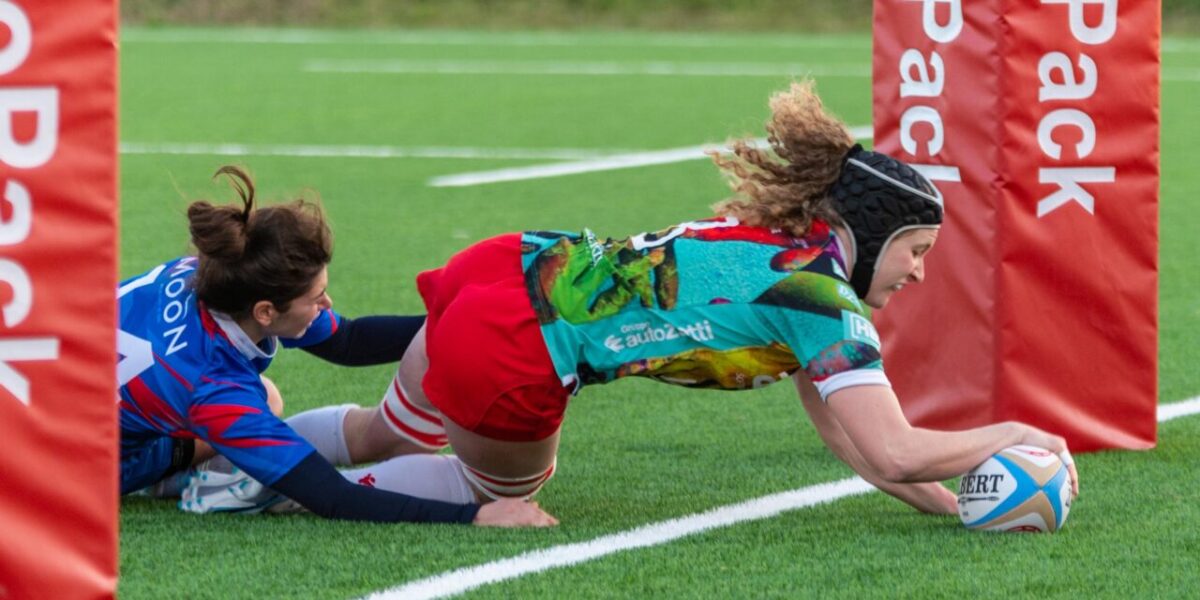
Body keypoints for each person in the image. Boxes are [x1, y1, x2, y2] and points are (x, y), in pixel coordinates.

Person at [283, 81, 1080, 518]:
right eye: (915, 251)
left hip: (509, 267)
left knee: (385, 429)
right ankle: (275, 486)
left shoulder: (781, 249)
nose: (918, 272)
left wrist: (944, 506)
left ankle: (221, 458)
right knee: (495, 493)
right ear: (866, 235)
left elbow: (857, 440)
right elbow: (898, 446)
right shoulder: (820, 301)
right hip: (517, 350)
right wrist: (1014, 432)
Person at [118, 165, 555, 527]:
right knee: (263, 405)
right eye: (316, 298)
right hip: (83, 468)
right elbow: (331, 496)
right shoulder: (212, 386)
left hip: (62, 394)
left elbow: (348, 340)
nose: (326, 303)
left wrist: (468, 325)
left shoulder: (210, 272)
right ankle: (201, 483)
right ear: (266, 312)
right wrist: (475, 516)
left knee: (261, 402)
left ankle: (220, 461)